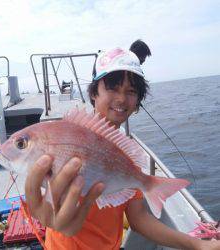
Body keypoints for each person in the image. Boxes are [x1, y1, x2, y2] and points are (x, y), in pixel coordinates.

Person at [25, 48, 220, 250]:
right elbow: (47, 190)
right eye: (113, 88)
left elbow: (138, 217)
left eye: (131, 91)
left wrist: (197, 245)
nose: (121, 98)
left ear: (137, 103)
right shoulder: (68, 136)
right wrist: (48, 206)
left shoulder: (126, 155)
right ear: (93, 92)